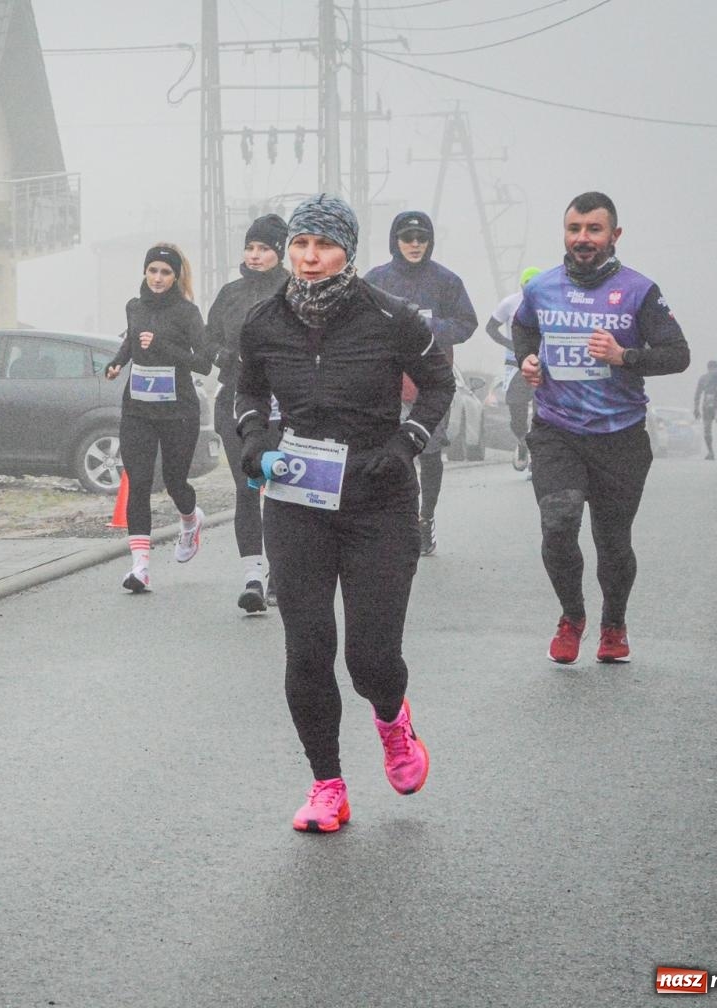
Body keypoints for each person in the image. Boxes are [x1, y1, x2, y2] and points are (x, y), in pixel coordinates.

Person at [235, 194, 452, 833]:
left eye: (323, 245)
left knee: (370, 657)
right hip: (299, 503)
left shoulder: (392, 317)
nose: (309, 258)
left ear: (347, 252)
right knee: (307, 648)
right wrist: (254, 439)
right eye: (301, 244)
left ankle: (392, 718)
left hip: (378, 503)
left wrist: (406, 444)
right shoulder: (262, 321)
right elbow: (246, 390)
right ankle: (327, 784)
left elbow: (439, 384)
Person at [513, 191, 689, 665]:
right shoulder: (541, 288)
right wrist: (528, 360)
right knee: (559, 524)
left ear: (615, 235)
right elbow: (524, 329)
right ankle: (572, 617)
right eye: (575, 229)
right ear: (565, 233)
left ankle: (614, 623)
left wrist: (624, 356)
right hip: (556, 431)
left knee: (612, 542)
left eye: (594, 229)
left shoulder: (639, 290)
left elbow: (678, 354)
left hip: (620, 437)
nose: (583, 239)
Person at [366, 210, 478, 556]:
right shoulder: (376, 279)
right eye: (407, 238)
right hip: (386, 383)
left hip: (432, 383)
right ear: (394, 242)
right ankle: (395, 520)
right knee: (389, 455)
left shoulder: (447, 281)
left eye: (421, 239)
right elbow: (358, 321)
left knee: (429, 454)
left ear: (429, 242)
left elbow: (467, 323)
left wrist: (429, 327)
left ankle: (425, 517)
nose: (414, 245)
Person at [104, 243, 212, 593]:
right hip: (138, 408)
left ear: (176, 276)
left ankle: (190, 519)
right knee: (138, 481)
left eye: (165, 272)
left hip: (178, 409)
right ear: (145, 272)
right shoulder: (134, 306)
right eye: (152, 270)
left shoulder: (187, 312)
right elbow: (132, 343)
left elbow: (204, 363)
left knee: (174, 481)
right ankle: (140, 567)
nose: (158, 278)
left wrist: (163, 347)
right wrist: (117, 361)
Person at [205, 214, 288, 612]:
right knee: (247, 488)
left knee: (281, 492)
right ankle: (253, 577)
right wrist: (224, 354)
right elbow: (207, 341)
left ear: (280, 252)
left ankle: (281, 572)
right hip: (235, 404)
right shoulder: (230, 293)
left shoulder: (295, 291)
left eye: (264, 249)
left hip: (283, 408)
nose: (255, 256)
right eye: (250, 248)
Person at [485, 266, 542, 475]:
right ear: (522, 285)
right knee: (516, 411)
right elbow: (490, 328)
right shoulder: (510, 303)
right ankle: (522, 442)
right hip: (515, 363)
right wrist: (510, 344)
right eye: (528, 285)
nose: (532, 289)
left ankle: (536, 459)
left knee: (541, 412)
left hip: (542, 364)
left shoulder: (551, 302)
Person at [692, 359, 717, 459]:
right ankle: (714, 451)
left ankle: (711, 451)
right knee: (716, 429)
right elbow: (698, 394)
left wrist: (696, 408)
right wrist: (696, 408)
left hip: (709, 407)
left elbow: (697, 394)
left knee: (708, 430)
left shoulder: (704, 378)